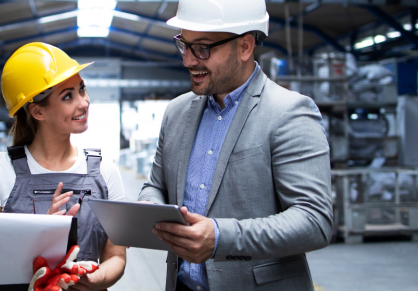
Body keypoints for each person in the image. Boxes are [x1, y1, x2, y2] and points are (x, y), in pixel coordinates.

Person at [137, 0, 334, 290]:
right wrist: (150, 209)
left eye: (202, 48)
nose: (188, 61)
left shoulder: (288, 113)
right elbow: (156, 185)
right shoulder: (177, 112)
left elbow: (314, 221)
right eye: (184, 45)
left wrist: (220, 238)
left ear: (244, 46)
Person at [0, 42, 126, 291]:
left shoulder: (105, 171)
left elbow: (116, 257)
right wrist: (43, 237)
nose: (84, 102)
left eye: (82, 89)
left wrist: (95, 280)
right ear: (38, 112)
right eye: (68, 96)